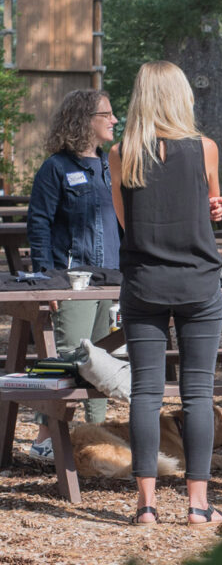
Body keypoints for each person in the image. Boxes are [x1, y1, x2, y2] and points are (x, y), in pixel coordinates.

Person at [109, 61, 222, 526]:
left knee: (146, 393)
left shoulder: (121, 153)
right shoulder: (205, 148)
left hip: (144, 281)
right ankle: (199, 505)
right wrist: (210, 211)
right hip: (198, 280)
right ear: (181, 96)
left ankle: (146, 506)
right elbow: (211, 207)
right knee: (199, 393)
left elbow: (127, 222)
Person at [27, 89, 121, 461]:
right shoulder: (56, 167)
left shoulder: (109, 165)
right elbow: (38, 225)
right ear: (85, 119)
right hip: (72, 280)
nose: (114, 120)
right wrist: (44, 281)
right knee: (67, 358)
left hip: (110, 277)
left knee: (104, 361)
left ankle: (95, 438)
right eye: (107, 114)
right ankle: (45, 440)